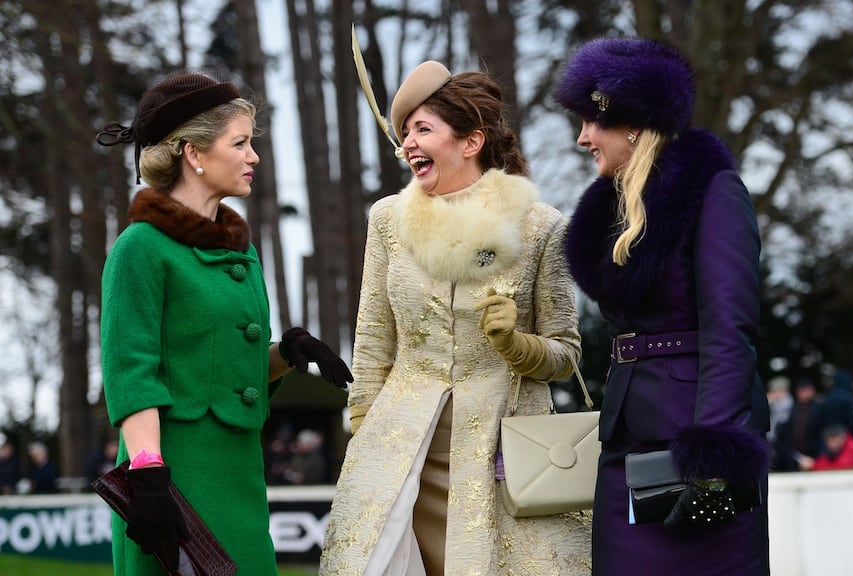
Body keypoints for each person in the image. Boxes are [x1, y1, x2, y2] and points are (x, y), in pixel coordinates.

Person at [320, 60, 591, 575]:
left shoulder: (541, 227)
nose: (407, 145)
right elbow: (374, 336)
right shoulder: (386, 221)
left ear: (471, 141)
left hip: (503, 459)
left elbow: (566, 354)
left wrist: (516, 343)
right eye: (404, 133)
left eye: (423, 129)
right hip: (400, 454)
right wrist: (364, 431)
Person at [96, 69, 352, 576]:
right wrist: (148, 476)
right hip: (171, 471)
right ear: (193, 153)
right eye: (240, 143)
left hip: (238, 469)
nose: (254, 156)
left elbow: (229, 367)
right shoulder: (139, 249)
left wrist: (285, 353)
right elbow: (132, 372)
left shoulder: (244, 251)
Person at [557, 38, 770, 575]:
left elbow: (730, 328)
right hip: (626, 444)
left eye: (591, 122)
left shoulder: (715, 192)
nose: (583, 138)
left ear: (632, 123)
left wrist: (714, 461)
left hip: (698, 445)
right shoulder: (616, 211)